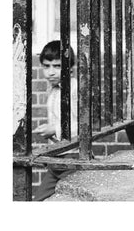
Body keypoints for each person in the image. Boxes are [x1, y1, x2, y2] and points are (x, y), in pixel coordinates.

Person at [33, 40, 78, 201]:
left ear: (70, 67)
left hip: (73, 160)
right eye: (46, 66)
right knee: (38, 200)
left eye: (57, 66)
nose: (50, 72)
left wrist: (55, 129)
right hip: (56, 161)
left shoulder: (74, 89)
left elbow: (87, 127)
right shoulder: (53, 89)